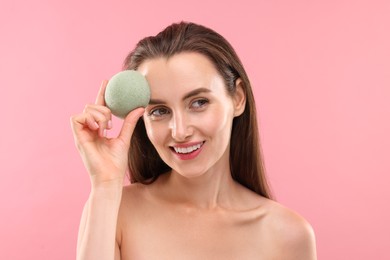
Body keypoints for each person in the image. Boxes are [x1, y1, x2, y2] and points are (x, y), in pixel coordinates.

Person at [71, 21, 317, 260]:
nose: (179, 131)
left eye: (199, 103)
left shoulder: (288, 235)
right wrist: (104, 184)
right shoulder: (113, 211)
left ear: (238, 98)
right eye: (159, 111)